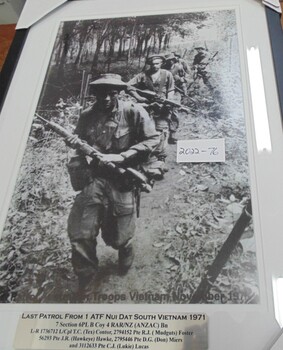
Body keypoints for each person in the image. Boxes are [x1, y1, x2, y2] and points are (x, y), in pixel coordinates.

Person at [66, 74, 160, 299]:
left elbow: (153, 139)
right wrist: (73, 143)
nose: (106, 98)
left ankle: (125, 247)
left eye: (112, 93)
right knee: (80, 232)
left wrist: (125, 156)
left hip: (123, 179)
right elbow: (80, 143)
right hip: (95, 177)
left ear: (119, 92)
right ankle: (86, 280)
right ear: (95, 94)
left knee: (119, 234)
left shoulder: (133, 111)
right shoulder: (88, 115)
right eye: (101, 93)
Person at [127, 54, 177, 178]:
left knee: (161, 133)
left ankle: (160, 162)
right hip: (147, 109)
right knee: (145, 133)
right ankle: (145, 162)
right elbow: (128, 86)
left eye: (158, 63)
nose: (155, 66)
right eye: (153, 63)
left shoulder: (167, 74)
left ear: (161, 63)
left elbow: (171, 89)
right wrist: (140, 98)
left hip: (163, 109)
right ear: (149, 64)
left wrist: (168, 100)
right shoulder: (143, 75)